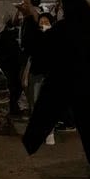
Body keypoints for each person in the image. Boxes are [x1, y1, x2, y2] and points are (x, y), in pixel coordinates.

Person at [18, 0, 90, 179]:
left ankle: (19, 157)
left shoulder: (64, 28)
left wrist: (28, 18)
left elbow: (40, 46)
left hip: (62, 82)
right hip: (89, 85)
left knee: (40, 122)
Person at [21, 11, 57, 145]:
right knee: (35, 104)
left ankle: (50, 132)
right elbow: (31, 57)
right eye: (41, 22)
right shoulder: (35, 38)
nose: (43, 24)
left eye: (46, 22)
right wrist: (25, 75)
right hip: (36, 74)